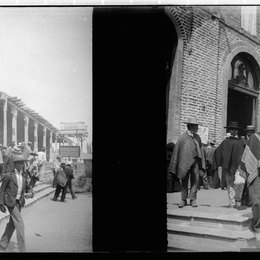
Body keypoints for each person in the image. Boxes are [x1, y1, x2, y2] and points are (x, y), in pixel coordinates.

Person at [168, 116, 205, 208]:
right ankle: (183, 199)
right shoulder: (182, 138)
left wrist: (201, 164)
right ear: (190, 126)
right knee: (184, 180)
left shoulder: (197, 137)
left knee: (195, 180)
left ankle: (193, 199)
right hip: (184, 163)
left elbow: (200, 150)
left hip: (195, 162)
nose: (197, 128)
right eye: (195, 126)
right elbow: (178, 151)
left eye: (197, 126)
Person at [0, 154, 34, 252]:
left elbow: (28, 187)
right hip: (11, 203)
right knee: (20, 223)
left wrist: (31, 193)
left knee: (12, 224)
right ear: (14, 164)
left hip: (19, 203)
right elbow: (2, 190)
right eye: (19, 163)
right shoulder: (8, 176)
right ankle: (22, 249)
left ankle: (2, 244)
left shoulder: (23, 176)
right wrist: (1, 203)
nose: (21, 165)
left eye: (22, 163)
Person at [212, 121, 245, 208]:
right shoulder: (225, 142)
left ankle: (238, 200)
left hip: (239, 167)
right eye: (232, 129)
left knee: (239, 182)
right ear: (230, 130)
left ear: (238, 131)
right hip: (228, 168)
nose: (234, 131)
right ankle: (232, 203)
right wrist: (220, 161)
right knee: (230, 185)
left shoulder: (241, 142)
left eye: (236, 130)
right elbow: (217, 152)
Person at [235, 131, 260, 237]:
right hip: (256, 174)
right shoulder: (255, 138)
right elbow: (249, 156)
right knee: (257, 201)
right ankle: (256, 226)